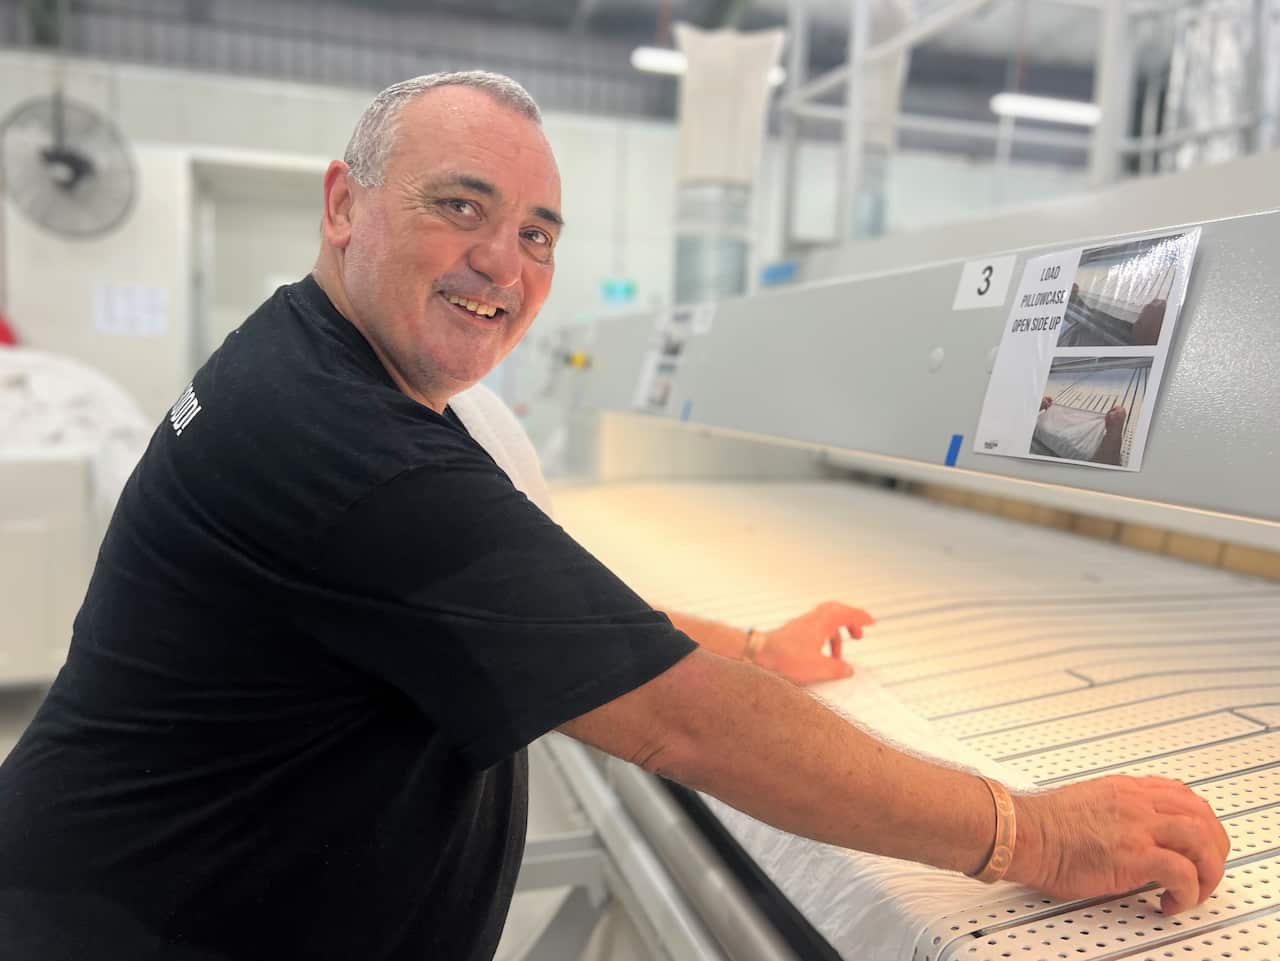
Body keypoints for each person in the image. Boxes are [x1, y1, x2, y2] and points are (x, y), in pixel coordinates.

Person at [0, 72, 1227, 961]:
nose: (505, 263)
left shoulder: (323, 367)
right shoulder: (340, 442)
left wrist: (748, 646)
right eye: (460, 207)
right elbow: (676, 724)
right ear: (342, 204)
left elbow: (521, 595)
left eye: (536, 234)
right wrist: (1034, 833)